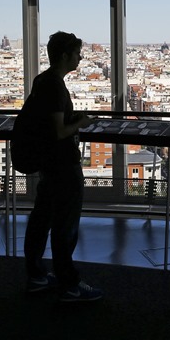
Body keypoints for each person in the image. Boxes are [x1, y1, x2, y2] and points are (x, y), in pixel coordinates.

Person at [22, 31, 102, 302]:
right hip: (62, 165)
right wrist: (82, 122)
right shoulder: (55, 86)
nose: (80, 57)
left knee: (41, 219)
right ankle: (70, 284)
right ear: (65, 55)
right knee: (65, 226)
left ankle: (37, 275)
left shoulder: (42, 80)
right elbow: (58, 131)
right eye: (77, 52)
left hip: (48, 164)